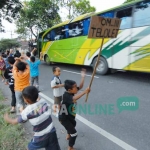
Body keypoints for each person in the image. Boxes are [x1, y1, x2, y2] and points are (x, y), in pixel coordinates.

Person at [4, 86, 61, 150]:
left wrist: (8, 119)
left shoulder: (27, 111)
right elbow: (37, 108)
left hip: (40, 136)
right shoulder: (44, 102)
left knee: (29, 148)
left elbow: (16, 121)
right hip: (51, 131)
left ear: (26, 100)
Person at [58, 69, 90, 150]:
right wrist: (85, 92)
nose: (77, 88)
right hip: (64, 118)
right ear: (69, 90)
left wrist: (82, 77)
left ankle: (68, 134)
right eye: (75, 87)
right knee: (74, 133)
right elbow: (74, 98)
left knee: (73, 125)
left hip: (70, 116)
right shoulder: (66, 96)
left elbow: (81, 86)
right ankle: (70, 147)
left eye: (76, 86)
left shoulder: (71, 92)